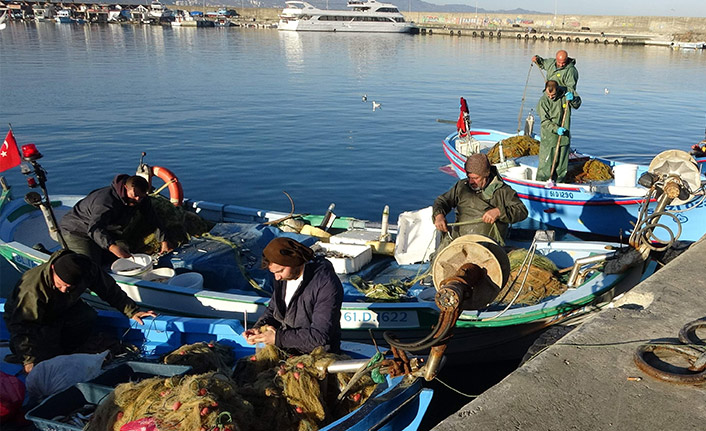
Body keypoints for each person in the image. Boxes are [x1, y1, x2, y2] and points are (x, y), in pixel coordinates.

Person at [3, 250, 156, 374]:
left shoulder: (86, 268)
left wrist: (132, 311)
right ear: (52, 269)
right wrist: (29, 361)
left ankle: (70, 349)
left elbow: (108, 289)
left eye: (69, 288)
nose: (64, 290)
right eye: (60, 285)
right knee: (44, 347)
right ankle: (24, 353)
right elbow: (23, 327)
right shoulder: (33, 290)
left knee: (87, 315)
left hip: (62, 308)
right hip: (27, 318)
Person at [243, 237, 343, 355]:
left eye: (280, 271)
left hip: (317, 355)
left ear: (294, 262)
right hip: (287, 350)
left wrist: (277, 338)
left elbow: (319, 336)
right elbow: (273, 310)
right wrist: (259, 329)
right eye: (273, 273)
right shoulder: (284, 278)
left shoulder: (326, 283)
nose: (277, 277)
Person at [59, 174, 172, 266]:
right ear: (126, 188)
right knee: (90, 265)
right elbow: (95, 229)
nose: (138, 199)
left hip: (105, 229)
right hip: (77, 230)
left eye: (141, 196)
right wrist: (112, 247)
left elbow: (152, 218)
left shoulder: (141, 199)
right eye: (135, 195)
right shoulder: (105, 202)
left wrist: (164, 240)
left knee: (124, 253)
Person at [433, 153, 528, 246]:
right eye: (469, 177)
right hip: (459, 241)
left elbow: (522, 211)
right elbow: (442, 201)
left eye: (475, 178)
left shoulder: (502, 191)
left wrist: (499, 212)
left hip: (488, 246)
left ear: (486, 175)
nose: (471, 181)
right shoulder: (462, 187)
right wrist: (439, 215)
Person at [536, 80, 582, 183]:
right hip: (549, 138)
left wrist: (573, 99)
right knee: (546, 165)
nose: (551, 97)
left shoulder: (565, 95)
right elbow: (544, 121)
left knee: (562, 165)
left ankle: (560, 183)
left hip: (564, 137)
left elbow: (577, 104)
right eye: (548, 94)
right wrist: (556, 129)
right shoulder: (543, 101)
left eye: (553, 95)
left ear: (558, 90)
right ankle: (542, 183)